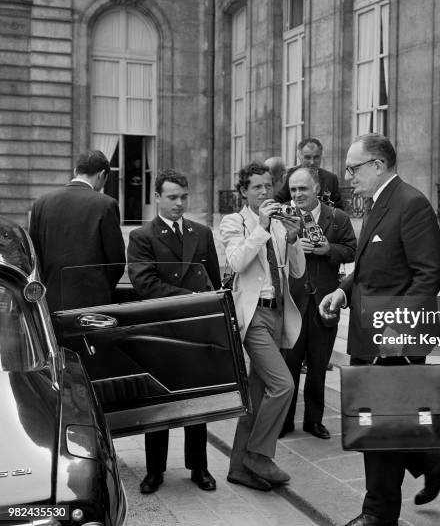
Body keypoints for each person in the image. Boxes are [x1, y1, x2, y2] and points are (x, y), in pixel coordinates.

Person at [319, 134, 440, 526]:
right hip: (371, 335)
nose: (348, 177)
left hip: (395, 340)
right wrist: (342, 292)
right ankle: (436, 463)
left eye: (354, 168)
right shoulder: (378, 204)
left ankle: (377, 515)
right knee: (387, 421)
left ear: (378, 165)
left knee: (378, 428)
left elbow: (429, 275)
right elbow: (368, 267)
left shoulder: (411, 203)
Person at [127, 169, 221, 495]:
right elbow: (145, 284)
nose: (179, 204)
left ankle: (199, 466)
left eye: (183, 197)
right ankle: (155, 471)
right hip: (160, 331)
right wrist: (190, 299)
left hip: (195, 331)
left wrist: (214, 319)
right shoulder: (143, 237)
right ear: (157, 198)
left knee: (197, 403)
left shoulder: (202, 232)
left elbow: (213, 283)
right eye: (172, 197)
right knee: (159, 404)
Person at [219, 161, 305, 491]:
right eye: (257, 187)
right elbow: (238, 261)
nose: (265, 192)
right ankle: (259, 455)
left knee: (256, 394)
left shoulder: (280, 224)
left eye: (268, 186)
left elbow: (296, 272)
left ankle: (239, 468)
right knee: (283, 385)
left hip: (278, 313)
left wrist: (294, 237)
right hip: (252, 316)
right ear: (244, 191)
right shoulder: (234, 222)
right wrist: (263, 227)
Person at [281, 168, 356, 440]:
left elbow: (353, 250)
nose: (298, 194)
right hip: (293, 303)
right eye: (293, 190)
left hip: (325, 303)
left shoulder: (337, 218)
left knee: (318, 366)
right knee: (288, 367)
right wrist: (290, 244)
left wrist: (328, 250)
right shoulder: (283, 219)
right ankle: (284, 421)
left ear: (317, 189)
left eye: (303, 189)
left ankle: (314, 421)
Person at [29, 150, 125, 313]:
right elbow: (116, 262)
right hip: (94, 302)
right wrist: (101, 288)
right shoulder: (106, 204)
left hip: (51, 301)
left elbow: (34, 256)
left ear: (76, 171)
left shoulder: (41, 203)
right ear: (102, 175)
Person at [275, 137, 345, 210]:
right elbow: (278, 202)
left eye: (316, 157)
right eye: (307, 157)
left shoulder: (331, 178)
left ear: (321, 156)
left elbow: (339, 208)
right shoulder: (290, 175)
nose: (312, 162)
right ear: (299, 156)